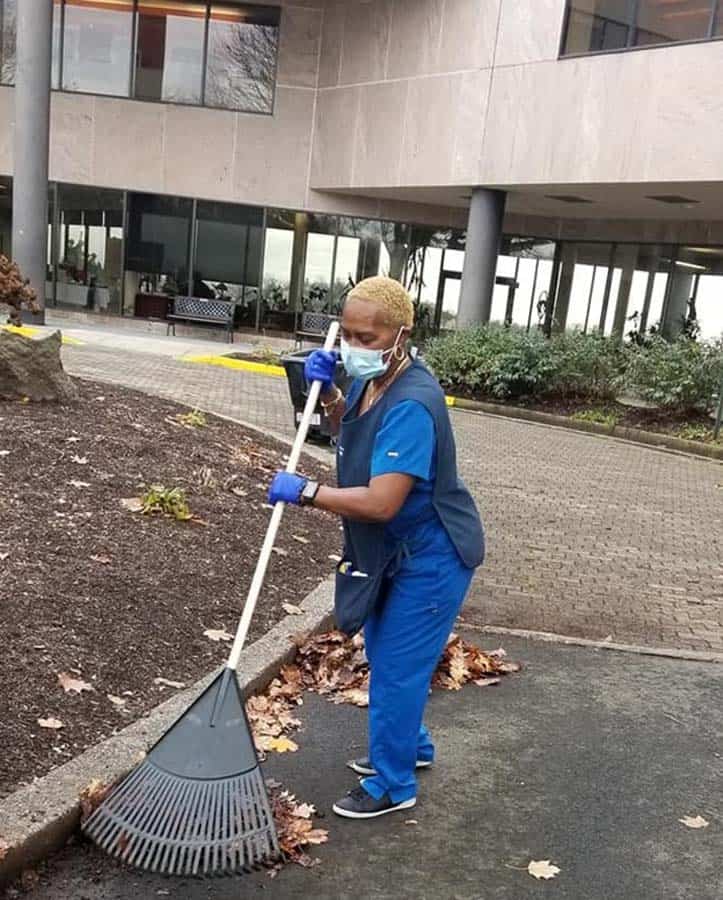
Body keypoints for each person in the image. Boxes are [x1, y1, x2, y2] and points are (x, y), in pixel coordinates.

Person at [268, 276, 485, 820]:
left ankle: (394, 785)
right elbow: (356, 432)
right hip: (398, 553)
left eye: (368, 337)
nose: (354, 348)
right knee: (389, 656)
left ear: (400, 334)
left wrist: (308, 493)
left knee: (395, 668)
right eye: (347, 335)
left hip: (431, 558)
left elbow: (384, 502)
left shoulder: (414, 402)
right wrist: (334, 397)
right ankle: (412, 749)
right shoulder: (376, 382)